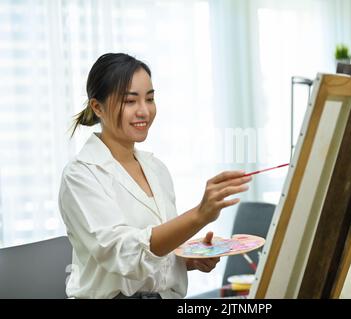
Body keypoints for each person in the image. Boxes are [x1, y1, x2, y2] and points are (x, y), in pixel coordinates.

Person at [58, 53, 252, 299]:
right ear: (98, 107)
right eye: (130, 101)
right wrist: (198, 216)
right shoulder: (81, 175)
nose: (144, 111)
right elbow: (124, 254)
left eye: (149, 99)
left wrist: (189, 259)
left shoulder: (156, 169)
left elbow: (154, 253)